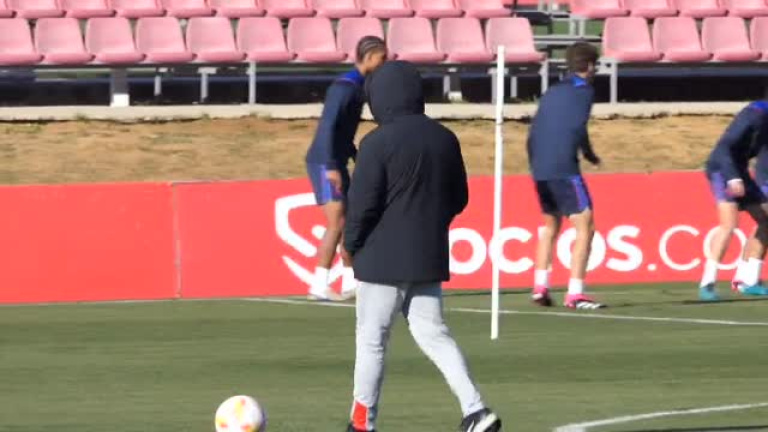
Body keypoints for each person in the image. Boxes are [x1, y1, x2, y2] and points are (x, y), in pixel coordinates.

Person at [343, 61, 501, 432]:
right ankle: (476, 410)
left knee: (372, 340)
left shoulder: (375, 143)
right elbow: (459, 198)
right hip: (428, 254)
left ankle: (362, 423)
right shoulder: (445, 138)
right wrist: (430, 225)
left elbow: (363, 205)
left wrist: (350, 243)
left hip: (381, 260)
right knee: (434, 334)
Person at [305, 36, 387, 301]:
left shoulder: (358, 86)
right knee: (337, 222)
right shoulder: (344, 87)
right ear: (370, 57)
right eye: (382, 58)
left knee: (351, 221)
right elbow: (328, 125)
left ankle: (352, 281)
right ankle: (319, 283)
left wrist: (355, 155)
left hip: (336, 159)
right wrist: (330, 166)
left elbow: (343, 130)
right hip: (324, 161)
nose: (384, 63)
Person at [527, 42, 606, 310]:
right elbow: (577, 127)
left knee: (550, 226)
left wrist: (536, 164)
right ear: (590, 65)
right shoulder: (584, 91)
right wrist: (588, 154)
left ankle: (540, 287)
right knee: (586, 226)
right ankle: (575, 293)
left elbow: (536, 128)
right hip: (563, 167)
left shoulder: (552, 91)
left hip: (540, 166)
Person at [703, 99, 768, 301]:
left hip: (740, 170)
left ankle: (748, 281)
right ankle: (707, 283)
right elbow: (724, 147)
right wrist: (733, 177)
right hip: (722, 169)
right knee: (729, 225)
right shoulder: (754, 113)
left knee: (766, 220)